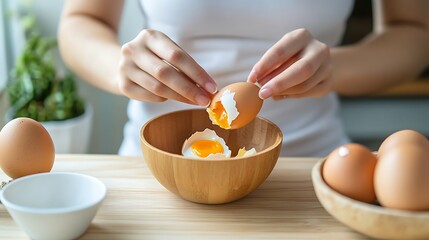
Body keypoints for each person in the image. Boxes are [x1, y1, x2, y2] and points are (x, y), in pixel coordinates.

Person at [58, 0, 429, 157]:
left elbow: (413, 32)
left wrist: (335, 68)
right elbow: (81, 20)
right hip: (160, 165)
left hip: (307, 166)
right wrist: (118, 67)